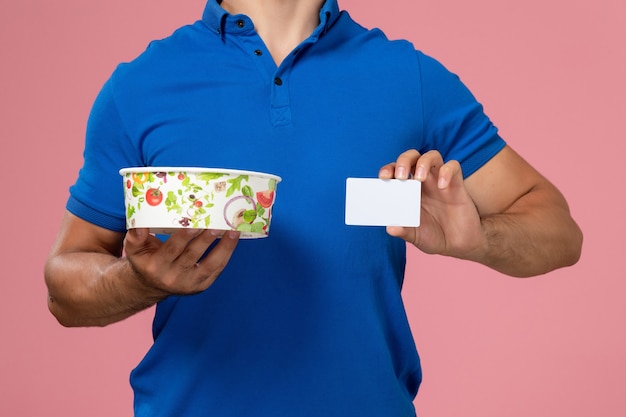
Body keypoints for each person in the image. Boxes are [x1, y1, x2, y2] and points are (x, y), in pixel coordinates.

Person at [44, 0, 583, 416]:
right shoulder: (139, 87)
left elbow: (559, 230)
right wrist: (141, 280)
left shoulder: (411, 79)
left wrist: (481, 238)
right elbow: (64, 283)